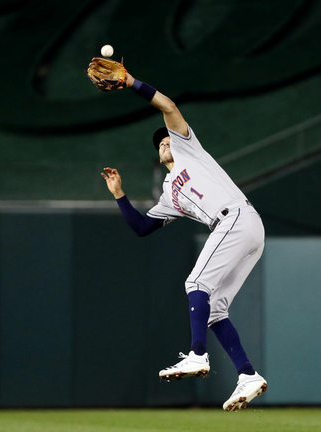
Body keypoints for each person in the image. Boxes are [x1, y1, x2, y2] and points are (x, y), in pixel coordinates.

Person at [96, 62, 267, 412]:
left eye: (167, 139)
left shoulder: (190, 149)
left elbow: (168, 106)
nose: (164, 143)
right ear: (159, 156)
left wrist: (130, 81)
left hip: (236, 217)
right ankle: (248, 375)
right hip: (241, 229)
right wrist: (119, 194)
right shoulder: (169, 195)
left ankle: (197, 355)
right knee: (215, 310)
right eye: (159, 144)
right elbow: (142, 227)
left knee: (195, 283)